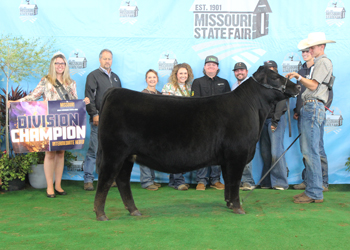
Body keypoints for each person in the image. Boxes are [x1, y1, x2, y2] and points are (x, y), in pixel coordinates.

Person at [11, 52, 89, 198]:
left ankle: (58, 185)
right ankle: (49, 187)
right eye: (57, 63)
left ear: (65, 66)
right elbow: (33, 96)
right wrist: (16, 103)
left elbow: (74, 101)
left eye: (62, 63)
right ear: (53, 65)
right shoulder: (45, 81)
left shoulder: (71, 83)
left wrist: (83, 102)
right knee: (49, 153)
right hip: (49, 122)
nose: (60, 66)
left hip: (65, 122)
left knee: (61, 153)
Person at [286, 32, 335, 203]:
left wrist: (299, 77)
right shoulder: (318, 63)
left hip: (313, 106)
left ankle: (314, 192)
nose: (311, 50)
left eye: (312, 47)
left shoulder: (323, 62)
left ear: (321, 47)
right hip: (311, 107)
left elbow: (313, 85)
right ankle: (312, 189)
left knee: (311, 152)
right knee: (310, 151)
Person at [293, 49, 333, 192]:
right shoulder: (302, 70)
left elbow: (325, 91)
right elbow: (300, 94)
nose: (306, 53)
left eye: (308, 50)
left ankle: (322, 183)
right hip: (305, 110)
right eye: (303, 51)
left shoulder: (321, 64)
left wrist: (320, 107)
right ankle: (310, 181)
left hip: (314, 109)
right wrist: (297, 111)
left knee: (316, 149)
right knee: (307, 149)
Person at [84, 49, 122, 191]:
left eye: (109, 59)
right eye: (105, 59)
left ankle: (107, 179)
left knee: (110, 151)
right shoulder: (93, 76)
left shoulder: (116, 78)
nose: (107, 61)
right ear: (100, 60)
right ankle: (88, 179)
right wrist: (94, 114)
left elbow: (120, 100)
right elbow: (89, 97)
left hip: (114, 121)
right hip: (99, 119)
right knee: (94, 149)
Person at [191, 55, 229, 191]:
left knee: (218, 152)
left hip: (219, 124)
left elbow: (228, 104)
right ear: (204, 67)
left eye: (213, 65)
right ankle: (201, 180)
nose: (211, 66)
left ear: (217, 68)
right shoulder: (197, 82)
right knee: (202, 151)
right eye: (208, 64)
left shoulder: (224, 83)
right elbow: (195, 103)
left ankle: (215, 180)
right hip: (202, 123)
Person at [162, 63, 193, 191]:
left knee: (180, 152)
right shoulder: (169, 87)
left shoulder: (189, 87)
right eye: (180, 73)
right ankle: (179, 181)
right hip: (172, 123)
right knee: (177, 152)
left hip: (186, 125)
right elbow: (165, 105)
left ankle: (173, 181)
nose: (183, 75)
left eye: (185, 73)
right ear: (176, 74)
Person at [259, 60, 289, 190]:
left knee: (276, 152)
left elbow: (282, 103)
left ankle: (280, 182)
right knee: (265, 152)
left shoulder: (281, 84)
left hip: (275, 120)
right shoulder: (261, 86)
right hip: (263, 121)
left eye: (272, 69)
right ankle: (266, 182)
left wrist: (275, 121)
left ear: (276, 70)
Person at [231, 62, 256, 191]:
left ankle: (247, 181)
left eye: (241, 70)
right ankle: (238, 181)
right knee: (237, 153)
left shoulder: (252, 85)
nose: (239, 72)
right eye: (236, 71)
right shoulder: (234, 86)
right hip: (236, 124)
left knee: (246, 152)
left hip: (248, 123)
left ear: (246, 71)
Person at [139, 69, 162, 191]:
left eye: (154, 77)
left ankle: (151, 179)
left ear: (157, 79)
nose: (152, 79)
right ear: (146, 80)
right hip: (145, 129)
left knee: (152, 155)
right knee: (144, 154)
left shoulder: (160, 94)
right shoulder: (142, 94)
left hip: (157, 129)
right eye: (149, 77)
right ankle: (146, 181)